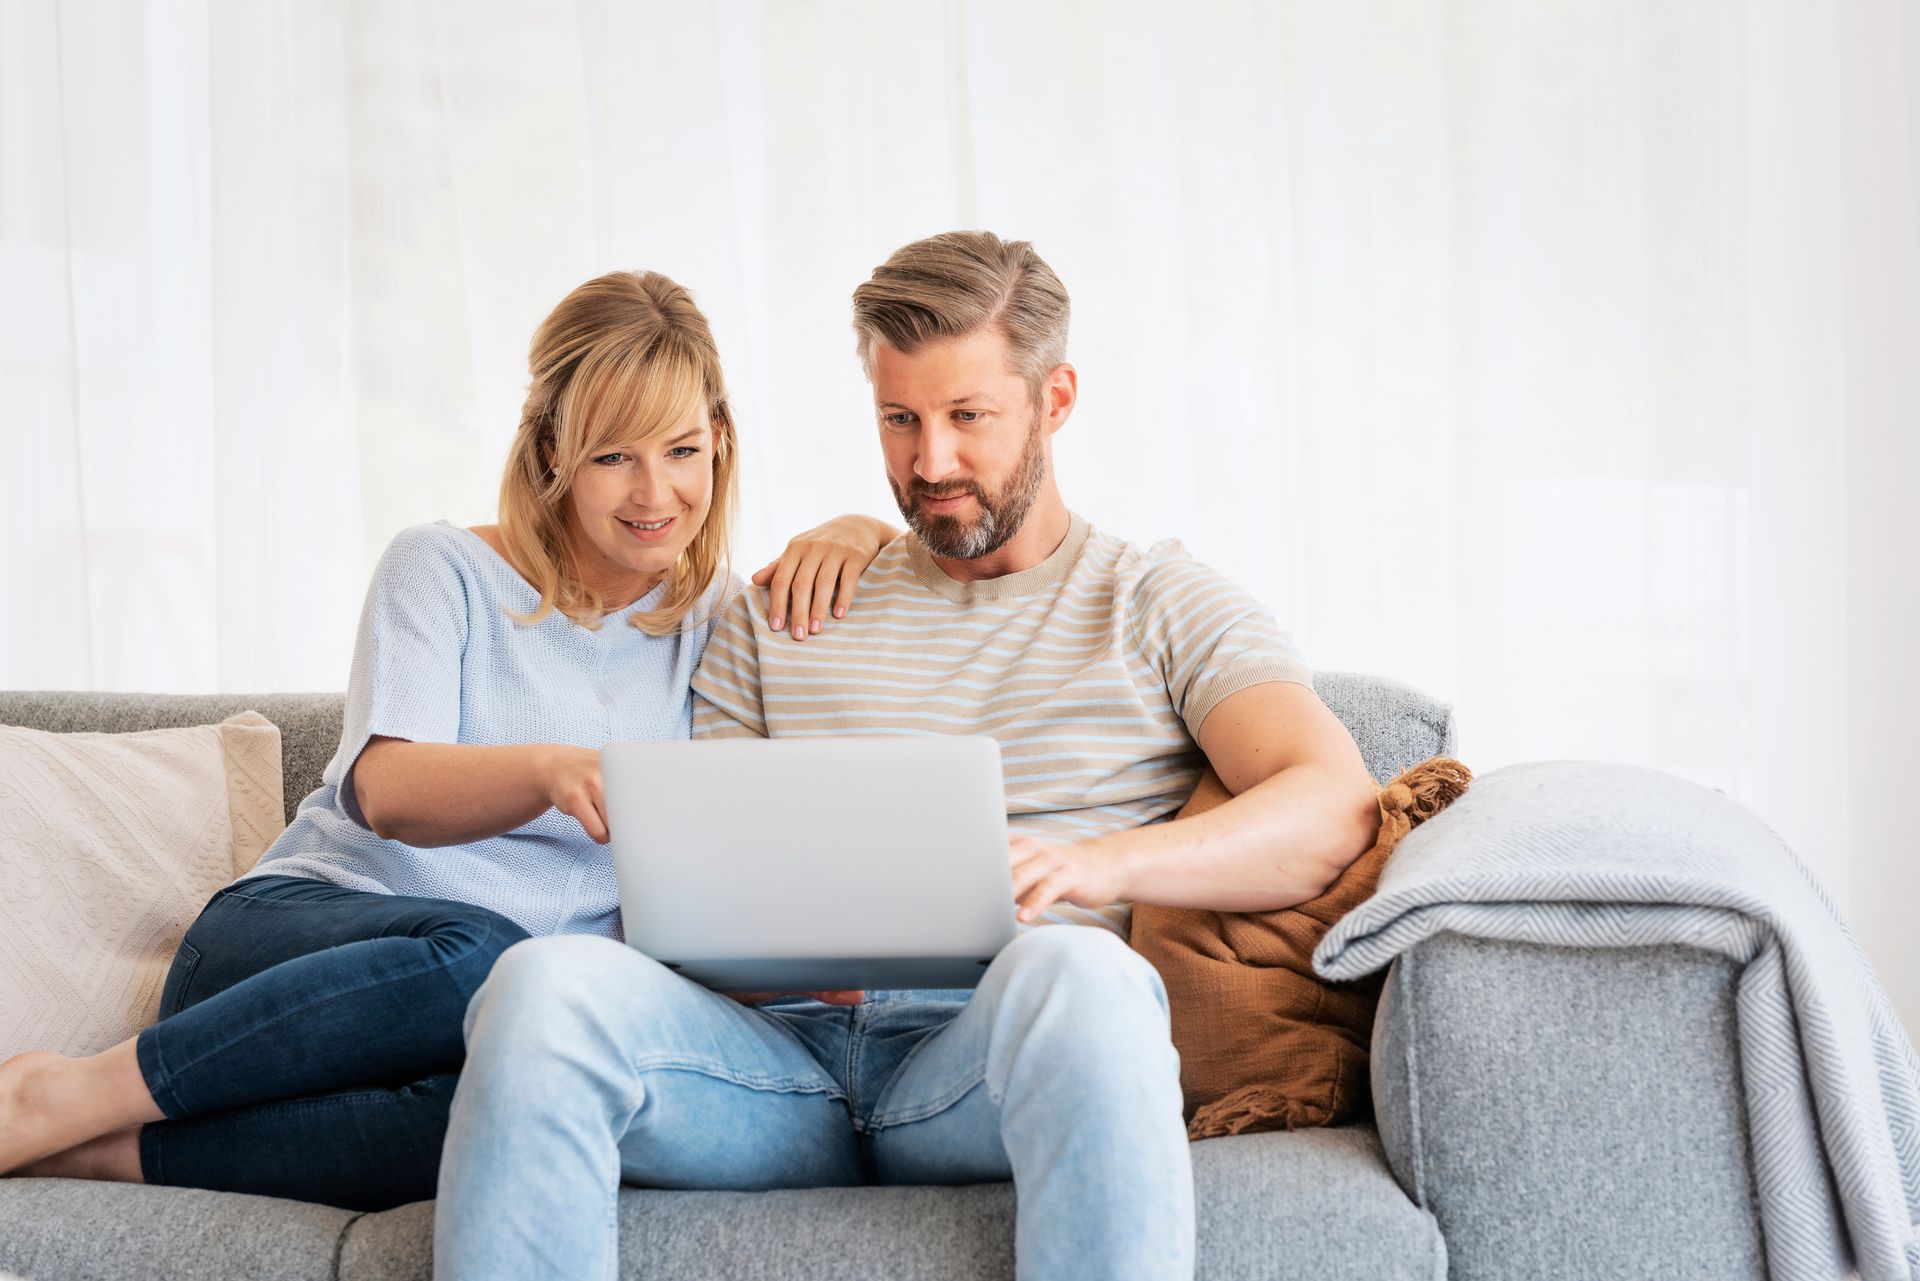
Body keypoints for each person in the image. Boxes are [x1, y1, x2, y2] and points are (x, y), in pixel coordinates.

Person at [432, 232, 1383, 1280]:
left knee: (1088, 976)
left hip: (981, 1062)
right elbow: (693, 878)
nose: (929, 464)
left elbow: (1331, 803)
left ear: (1054, 399)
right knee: (541, 989)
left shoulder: (1154, 601)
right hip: (767, 1069)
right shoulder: (785, 607)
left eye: (968, 418)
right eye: (899, 420)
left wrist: (1100, 866)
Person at [0, 269, 897, 1210]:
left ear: (720, 439)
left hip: (493, 1019)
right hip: (293, 955)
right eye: (612, 457)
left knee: (517, 1109)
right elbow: (386, 789)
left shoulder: (721, 627)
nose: (656, 493)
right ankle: (59, 1093)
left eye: (681, 449)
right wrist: (550, 770)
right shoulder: (444, 568)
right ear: (552, 450)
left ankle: (104, 1154)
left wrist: (863, 526)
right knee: (491, 958)